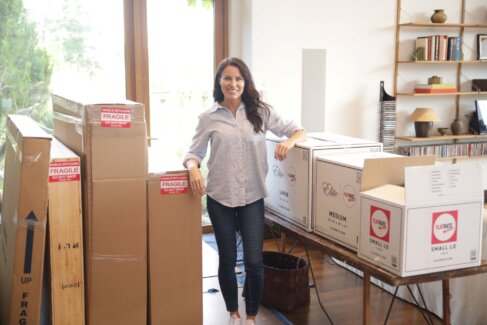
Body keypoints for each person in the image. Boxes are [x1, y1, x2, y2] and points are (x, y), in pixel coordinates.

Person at [183, 57, 306, 325]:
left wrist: (291, 143)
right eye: (227, 78)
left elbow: (298, 130)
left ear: (245, 82)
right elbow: (193, 153)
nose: (233, 83)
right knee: (227, 259)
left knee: (253, 261)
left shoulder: (261, 112)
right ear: (219, 82)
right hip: (220, 197)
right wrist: (193, 168)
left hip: (252, 197)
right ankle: (233, 314)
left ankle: (250, 315)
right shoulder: (209, 118)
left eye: (238, 78)